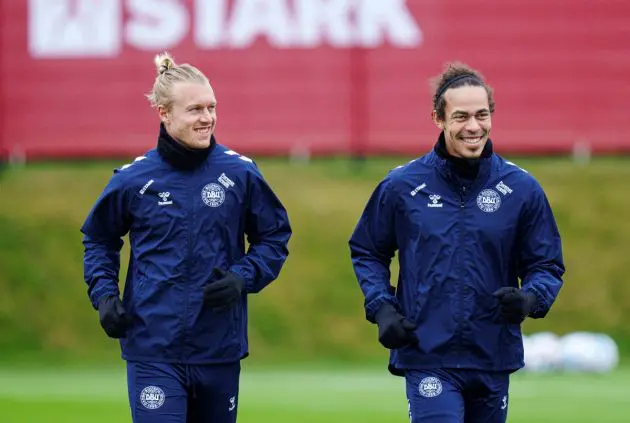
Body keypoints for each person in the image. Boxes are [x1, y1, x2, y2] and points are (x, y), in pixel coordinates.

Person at [81, 52, 291, 423]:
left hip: (218, 347)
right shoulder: (133, 180)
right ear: (164, 113)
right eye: (195, 109)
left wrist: (243, 276)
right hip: (152, 346)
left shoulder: (240, 174)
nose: (207, 117)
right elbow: (99, 238)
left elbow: (274, 238)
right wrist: (104, 295)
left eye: (211, 107)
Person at [348, 62, 565, 423]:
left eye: (482, 115)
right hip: (427, 353)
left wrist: (531, 298)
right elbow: (368, 250)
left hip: (492, 354)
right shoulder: (402, 186)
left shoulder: (521, 189)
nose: (473, 126)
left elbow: (546, 264)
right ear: (438, 117)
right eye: (461, 116)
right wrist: (381, 306)